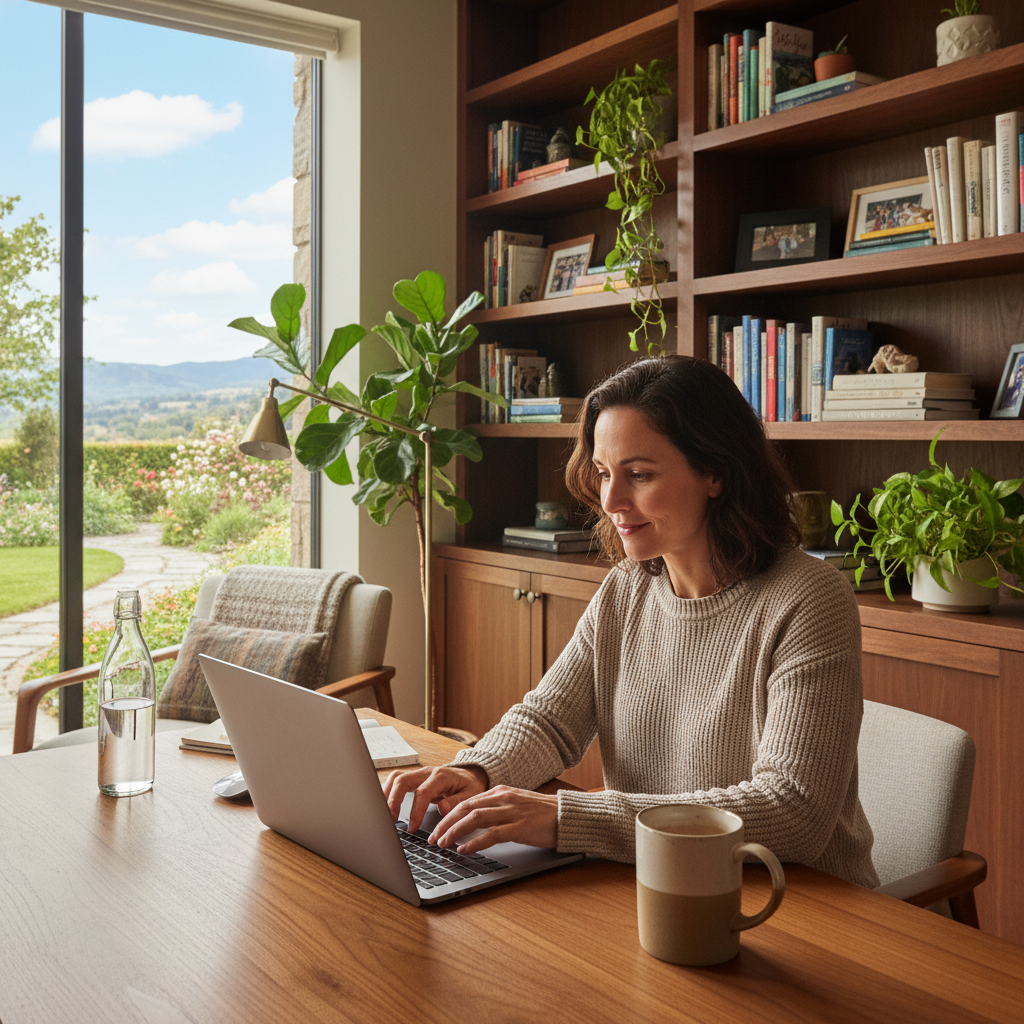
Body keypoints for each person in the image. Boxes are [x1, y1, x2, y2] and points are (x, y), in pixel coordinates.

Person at [386, 356, 879, 888]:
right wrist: (476, 770)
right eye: (602, 473)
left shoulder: (808, 599)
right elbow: (550, 721)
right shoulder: (629, 587)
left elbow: (793, 810)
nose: (611, 501)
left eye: (638, 475)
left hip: (795, 898)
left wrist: (566, 818)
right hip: (658, 881)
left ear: (716, 472)